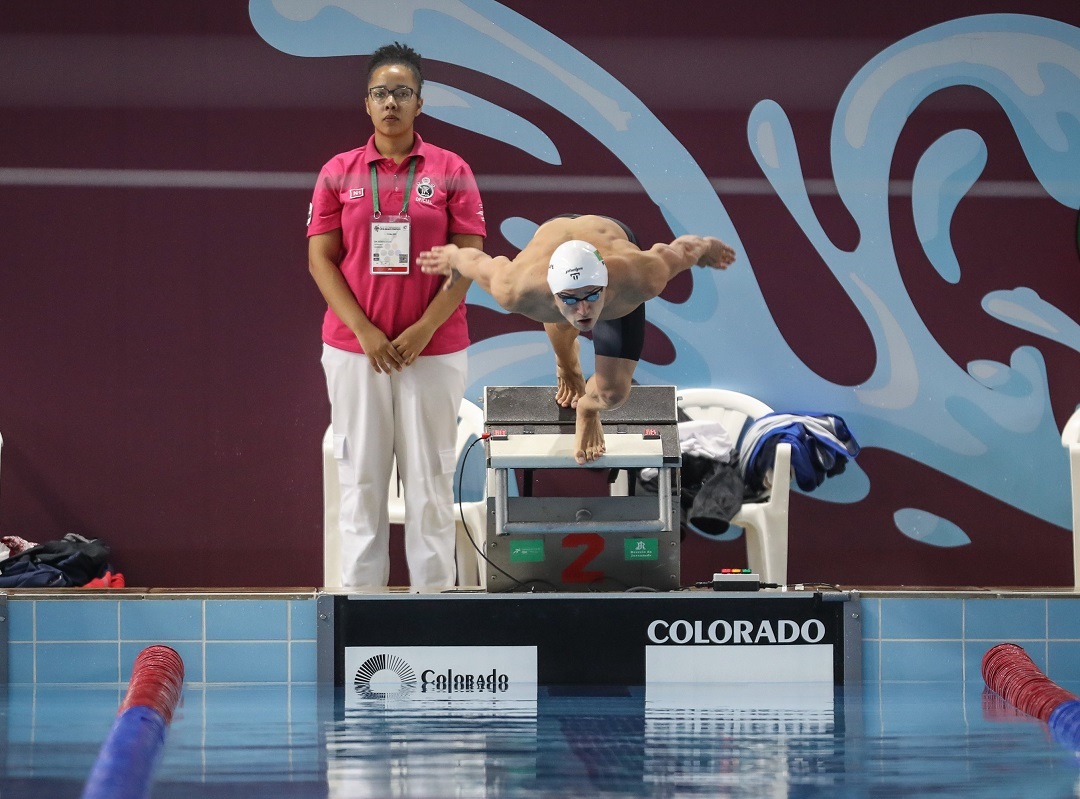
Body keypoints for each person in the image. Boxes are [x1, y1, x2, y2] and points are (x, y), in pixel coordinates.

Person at [307, 42, 486, 591]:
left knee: (430, 485)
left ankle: (433, 613)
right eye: (381, 93)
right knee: (360, 483)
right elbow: (321, 258)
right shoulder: (339, 172)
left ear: (420, 102)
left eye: (402, 93)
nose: (391, 103)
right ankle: (359, 612)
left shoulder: (451, 171)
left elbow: (468, 258)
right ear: (366, 104)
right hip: (353, 350)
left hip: (432, 351)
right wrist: (364, 331)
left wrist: (424, 327)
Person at [417, 214, 735, 464]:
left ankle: (588, 409)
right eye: (570, 298)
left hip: (609, 235)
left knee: (612, 394)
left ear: (605, 284)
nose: (583, 309)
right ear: (551, 292)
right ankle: (566, 362)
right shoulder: (517, 289)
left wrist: (706, 248)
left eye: (591, 295)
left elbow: (683, 249)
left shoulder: (639, 276)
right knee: (562, 319)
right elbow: (476, 261)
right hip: (551, 244)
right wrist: (453, 258)